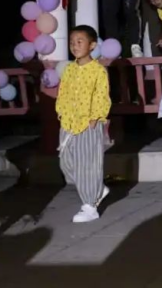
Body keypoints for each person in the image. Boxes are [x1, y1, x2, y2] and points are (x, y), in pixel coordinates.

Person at [56, 25, 112, 223]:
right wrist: (61, 112)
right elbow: (63, 92)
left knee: (87, 164)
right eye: (72, 42)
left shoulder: (98, 70)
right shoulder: (69, 69)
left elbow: (101, 95)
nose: (75, 45)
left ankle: (90, 205)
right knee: (66, 162)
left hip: (89, 123)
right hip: (68, 122)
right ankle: (97, 189)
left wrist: (96, 116)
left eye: (80, 41)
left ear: (92, 45)